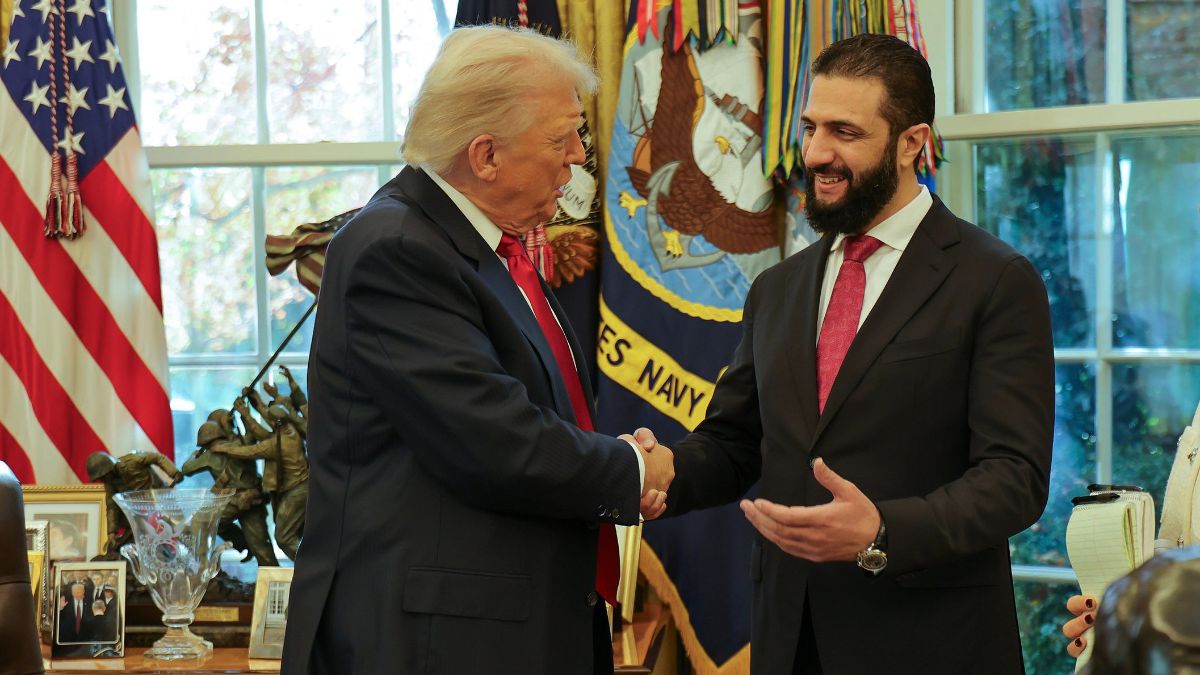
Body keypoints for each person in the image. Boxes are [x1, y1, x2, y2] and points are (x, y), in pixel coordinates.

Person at [634, 33, 1054, 674]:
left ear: (913, 142)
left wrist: (881, 530)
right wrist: (665, 472)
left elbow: (1014, 480)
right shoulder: (778, 287)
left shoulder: (995, 280)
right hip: (788, 642)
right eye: (809, 128)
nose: (817, 154)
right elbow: (736, 444)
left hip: (930, 647)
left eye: (845, 132)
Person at [279, 25, 673, 675]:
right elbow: (494, 440)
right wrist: (630, 470)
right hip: (438, 645)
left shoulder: (490, 251)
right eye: (562, 136)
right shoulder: (395, 249)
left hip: (507, 631)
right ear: (485, 155)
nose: (579, 154)